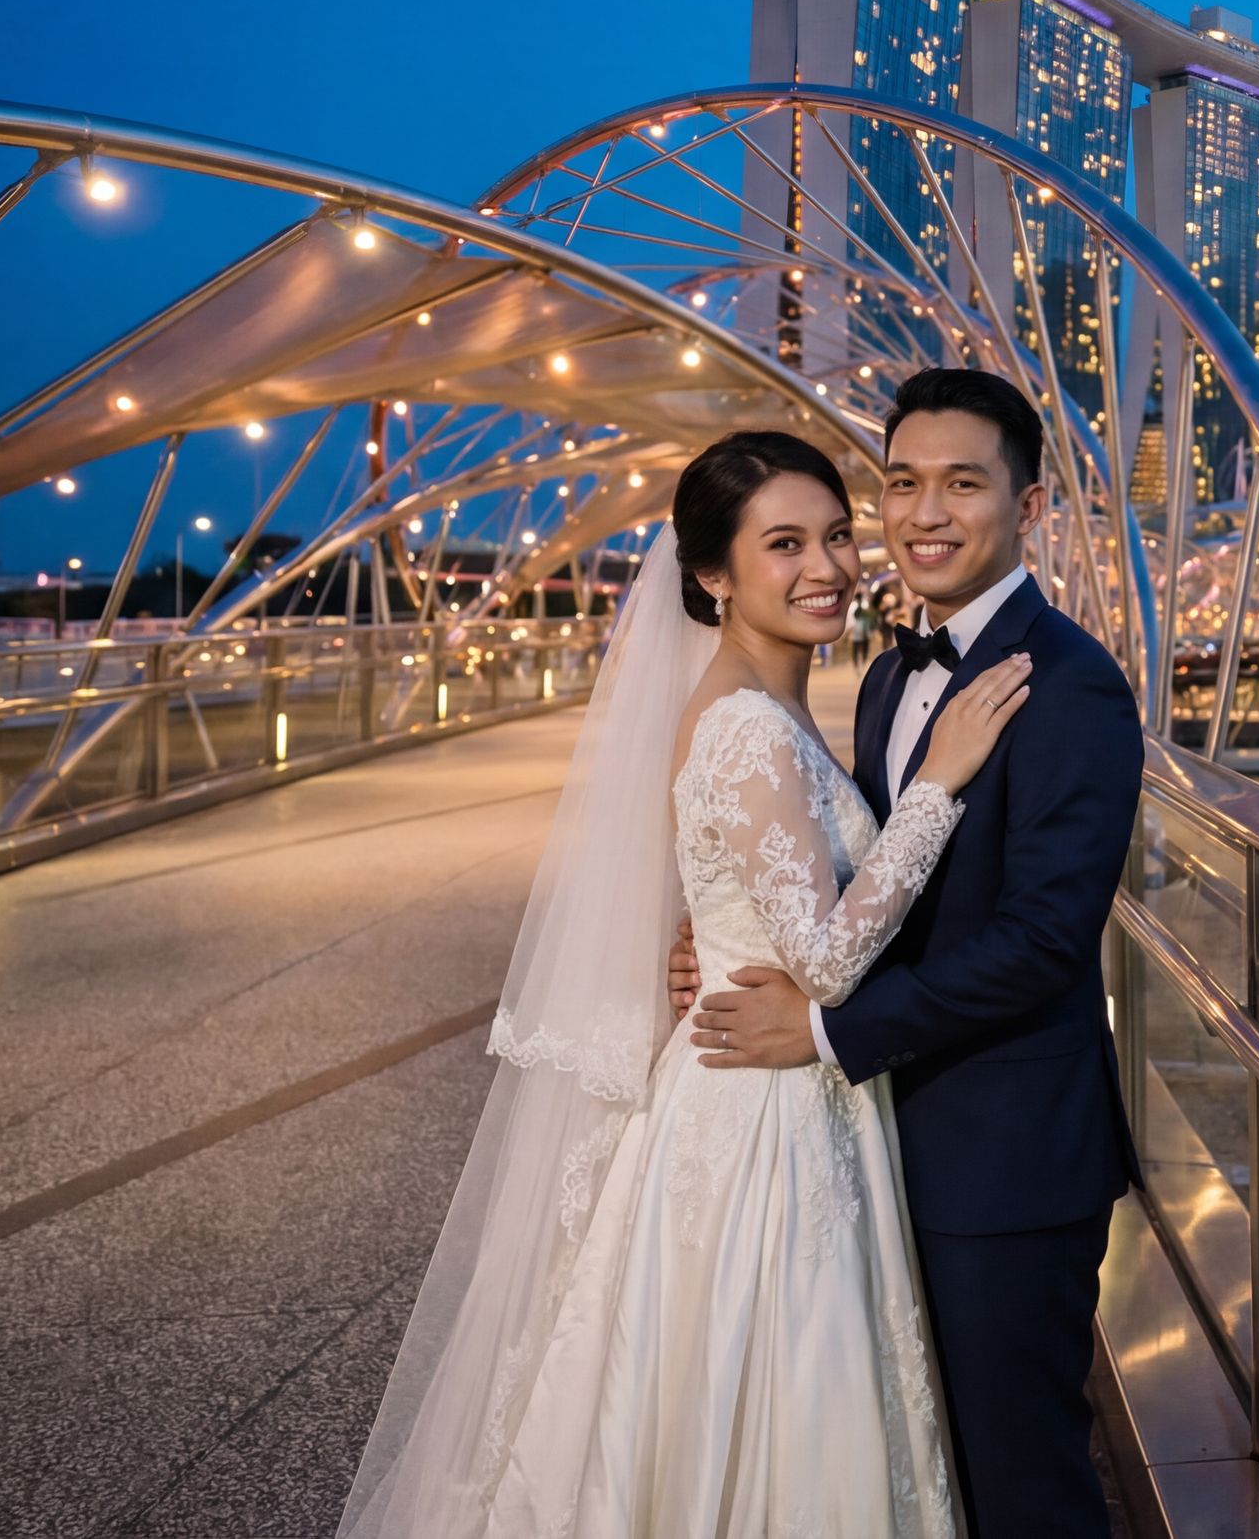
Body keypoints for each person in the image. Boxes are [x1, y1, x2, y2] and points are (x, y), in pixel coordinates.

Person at [338, 428, 1030, 1537]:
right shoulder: (748, 728)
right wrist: (937, 786)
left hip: (771, 1085)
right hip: (761, 1117)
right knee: (768, 1388)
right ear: (712, 577)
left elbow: (764, 899)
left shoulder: (774, 709)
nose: (830, 569)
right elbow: (827, 957)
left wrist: (704, 940)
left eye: (839, 537)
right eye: (786, 545)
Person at [674, 367, 1144, 1537]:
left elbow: (1045, 941)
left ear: (1027, 507)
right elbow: (859, 890)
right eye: (903, 484)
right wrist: (732, 932)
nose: (926, 513)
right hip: (872, 1139)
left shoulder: (1073, 686)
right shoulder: (888, 674)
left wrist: (826, 1024)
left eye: (963, 485)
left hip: (1001, 1152)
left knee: (1022, 1476)